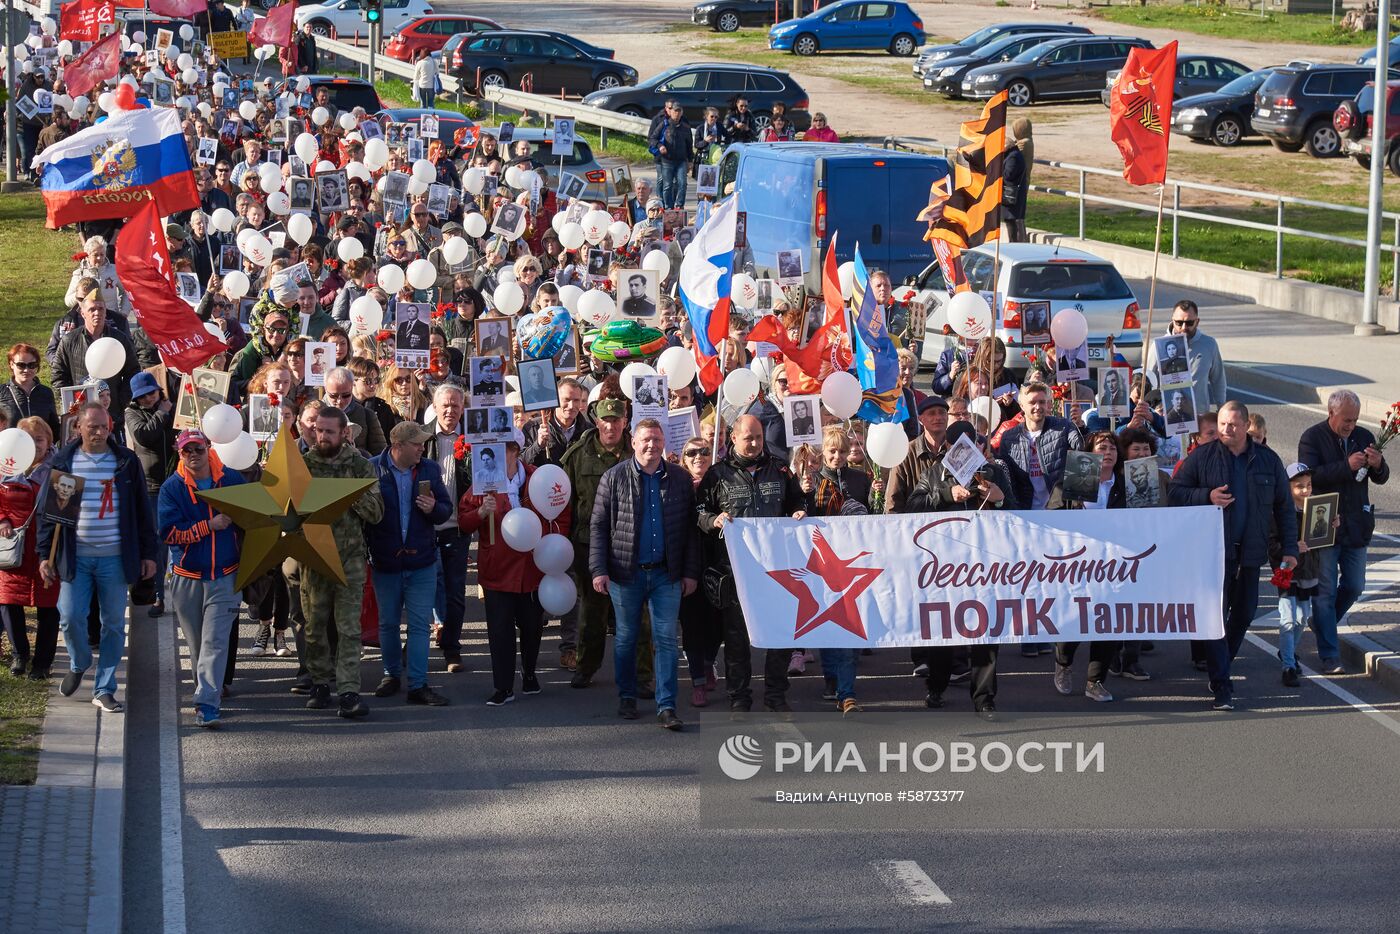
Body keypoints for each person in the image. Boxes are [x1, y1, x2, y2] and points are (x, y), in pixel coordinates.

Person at [1169, 401, 1296, 711]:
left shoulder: (1267, 460)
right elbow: (1174, 492)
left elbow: (1284, 508)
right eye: (1223, 424)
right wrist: (1206, 496)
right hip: (1213, 554)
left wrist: (1290, 549)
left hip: (1250, 554)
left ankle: (1221, 661)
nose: (1226, 429)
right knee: (1216, 618)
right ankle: (1222, 684)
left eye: (1233, 425)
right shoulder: (1202, 456)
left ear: (1246, 427)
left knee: (1244, 613)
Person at [37, 403, 158, 713]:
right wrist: (44, 556)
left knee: (114, 624)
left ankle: (104, 688)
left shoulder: (125, 461)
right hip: (75, 557)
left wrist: (148, 554)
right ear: (78, 427)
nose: (100, 432)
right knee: (70, 617)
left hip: (114, 557)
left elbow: (142, 510)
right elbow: (50, 516)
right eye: (93, 427)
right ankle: (79, 662)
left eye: (105, 426)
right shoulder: (65, 462)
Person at [590, 418, 701, 729]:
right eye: (646, 440)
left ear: (664, 443)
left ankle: (667, 706)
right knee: (626, 638)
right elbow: (598, 525)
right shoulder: (613, 477)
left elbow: (690, 530)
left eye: (657, 440)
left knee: (666, 640)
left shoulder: (679, 478)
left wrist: (690, 572)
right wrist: (598, 569)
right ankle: (627, 696)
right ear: (634, 443)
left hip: (667, 574)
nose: (652, 445)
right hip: (625, 573)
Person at [696, 414, 808, 715]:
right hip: (736, 571)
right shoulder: (717, 475)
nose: (755, 443)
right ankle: (739, 696)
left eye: (758, 437)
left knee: (781, 633)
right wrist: (713, 520)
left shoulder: (780, 470)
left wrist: (799, 511)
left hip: (777, 569)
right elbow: (699, 512)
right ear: (733, 438)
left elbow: (798, 501)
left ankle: (775, 694)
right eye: (749, 438)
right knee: (736, 637)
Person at [905, 420, 1012, 716]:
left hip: (986, 567)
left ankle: (984, 698)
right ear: (949, 448)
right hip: (946, 567)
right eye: (959, 446)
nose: (967, 451)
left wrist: (999, 500)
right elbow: (912, 507)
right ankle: (936, 686)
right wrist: (945, 495)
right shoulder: (934, 473)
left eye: (973, 444)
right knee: (943, 633)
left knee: (986, 634)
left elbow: (1017, 514)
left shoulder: (993, 473)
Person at [299, 406, 384, 719]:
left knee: (349, 629)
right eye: (318, 430)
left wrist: (348, 495)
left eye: (328, 431)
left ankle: (349, 692)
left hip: (349, 560)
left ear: (344, 433)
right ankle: (320, 683)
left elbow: (376, 512)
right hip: (314, 558)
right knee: (314, 626)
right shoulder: (303, 466)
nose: (321, 436)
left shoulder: (360, 467)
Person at [562, 397, 652, 689]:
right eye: (605, 420)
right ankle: (586, 667)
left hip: (632, 545)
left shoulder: (638, 452)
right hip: (590, 545)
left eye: (616, 420)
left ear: (625, 422)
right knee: (592, 612)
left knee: (638, 614)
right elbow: (567, 502)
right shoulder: (578, 455)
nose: (610, 426)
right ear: (596, 422)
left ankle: (643, 675)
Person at [159, 430, 246, 729]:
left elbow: (254, 519)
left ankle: (207, 703)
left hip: (226, 576)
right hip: (187, 579)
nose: (194, 454)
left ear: (209, 448)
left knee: (214, 642)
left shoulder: (232, 480)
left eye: (198, 448)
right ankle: (206, 690)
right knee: (197, 645)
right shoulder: (172, 487)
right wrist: (208, 525)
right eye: (187, 450)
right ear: (180, 453)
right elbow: (169, 533)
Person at [1298, 389, 1389, 673]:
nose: (1351, 425)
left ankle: (1322, 624)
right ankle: (1330, 655)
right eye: (1346, 419)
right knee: (1324, 592)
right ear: (1331, 413)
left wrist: (1378, 464)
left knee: (1355, 585)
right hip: (1324, 522)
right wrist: (1345, 466)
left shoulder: (1364, 436)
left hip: (1356, 524)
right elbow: (1309, 478)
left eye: (1355, 419)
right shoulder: (1312, 437)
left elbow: (1381, 477)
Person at [366, 421, 452, 706]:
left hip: (421, 562)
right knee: (388, 624)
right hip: (386, 561)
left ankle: (418, 684)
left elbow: (445, 510)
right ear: (397, 446)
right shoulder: (373, 469)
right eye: (416, 444)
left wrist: (434, 508)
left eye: (422, 443)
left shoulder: (429, 469)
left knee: (419, 626)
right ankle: (391, 675)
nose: (422, 448)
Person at [0, 418, 61, 680]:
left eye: (39, 439)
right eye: (29, 439)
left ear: (49, 441)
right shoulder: (5, 467)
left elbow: (66, 505)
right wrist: (2, 520)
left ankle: (42, 662)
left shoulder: (59, 468)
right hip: (13, 547)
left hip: (46, 547)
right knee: (8, 601)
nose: (34, 445)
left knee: (48, 605)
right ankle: (20, 654)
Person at [423, 383, 471, 672]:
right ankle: (415, 646)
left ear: (462, 408)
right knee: (422, 590)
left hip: (458, 527)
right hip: (426, 527)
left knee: (455, 592)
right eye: (445, 405)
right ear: (435, 407)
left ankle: (452, 649)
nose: (450, 410)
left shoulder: (472, 437)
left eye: (455, 405)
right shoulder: (423, 436)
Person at [1271, 463, 1327, 688]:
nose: (1305, 490)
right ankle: (1288, 666)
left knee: (1302, 618)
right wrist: (1292, 547)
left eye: (1308, 485)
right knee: (1288, 618)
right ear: (1288, 487)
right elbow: (1270, 544)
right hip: (1286, 570)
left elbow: (1323, 540)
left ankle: (1288, 652)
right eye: (1299, 486)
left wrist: (1333, 526)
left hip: (1309, 571)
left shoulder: (1316, 510)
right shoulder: (1279, 512)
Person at [125, 371, 176, 617]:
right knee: (158, 542)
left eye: (152, 393)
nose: (148, 398)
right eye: (143, 396)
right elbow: (144, 436)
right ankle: (157, 595)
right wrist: (162, 413)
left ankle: (183, 591)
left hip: (176, 483)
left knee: (181, 536)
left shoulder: (171, 407)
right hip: (152, 487)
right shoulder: (132, 413)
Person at [52, 289, 139, 424]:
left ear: (106, 312)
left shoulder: (119, 340)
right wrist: (71, 402)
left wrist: (121, 401)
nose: (97, 313)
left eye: (101, 309)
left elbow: (133, 371)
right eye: (92, 309)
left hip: (113, 415)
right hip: (82, 416)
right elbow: (58, 376)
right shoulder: (69, 341)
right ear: (83, 313)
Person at [1144, 300, 1226, 412]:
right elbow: (1148, 380)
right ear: (1173, 321)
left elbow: (1218, 380)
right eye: (1179, 322)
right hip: (1166, 415)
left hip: (1199, 414)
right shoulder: (1158, 346)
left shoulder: (1209, 344)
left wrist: (1221, 408)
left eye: (1189, 323)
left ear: (1197, 322)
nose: (1183, 327)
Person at [323, 367, 387, 456]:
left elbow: (380, 455)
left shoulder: (367, 415)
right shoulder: (313, 414)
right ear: (325, 388)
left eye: (346, 395)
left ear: (352, 387)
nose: (340, 401)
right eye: (333, 396)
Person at [3, 343, 59, 440]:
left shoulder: (46, 392)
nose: (26, 370)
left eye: (32, 365)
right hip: (10, 447)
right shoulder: (2, 393)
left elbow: (54, 428)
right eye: (21, 365)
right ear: (11, 364)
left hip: (40, 448)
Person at [648, 99, 694, 210]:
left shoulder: (686, 127)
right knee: (667, 185)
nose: (677, 113)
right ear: (670, 112)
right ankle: (668, 207)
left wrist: (690, 161)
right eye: (675, 111)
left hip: (681, 161)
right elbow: (652, 138)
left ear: (682, 112)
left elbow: (689, 145)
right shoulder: (664, 124)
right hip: (667, 160)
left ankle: (679, 206)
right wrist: (660, 146)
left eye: (679, 111)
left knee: (682, 184)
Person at [1001, 117, 1032, 242]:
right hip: (1017, 189)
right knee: (1015, 220)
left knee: (1014, 221)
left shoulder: (1015, 153)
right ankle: (1018, 242)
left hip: (1014, 191)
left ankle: (1018, 243)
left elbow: (1008, 174)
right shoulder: (1016, 150)